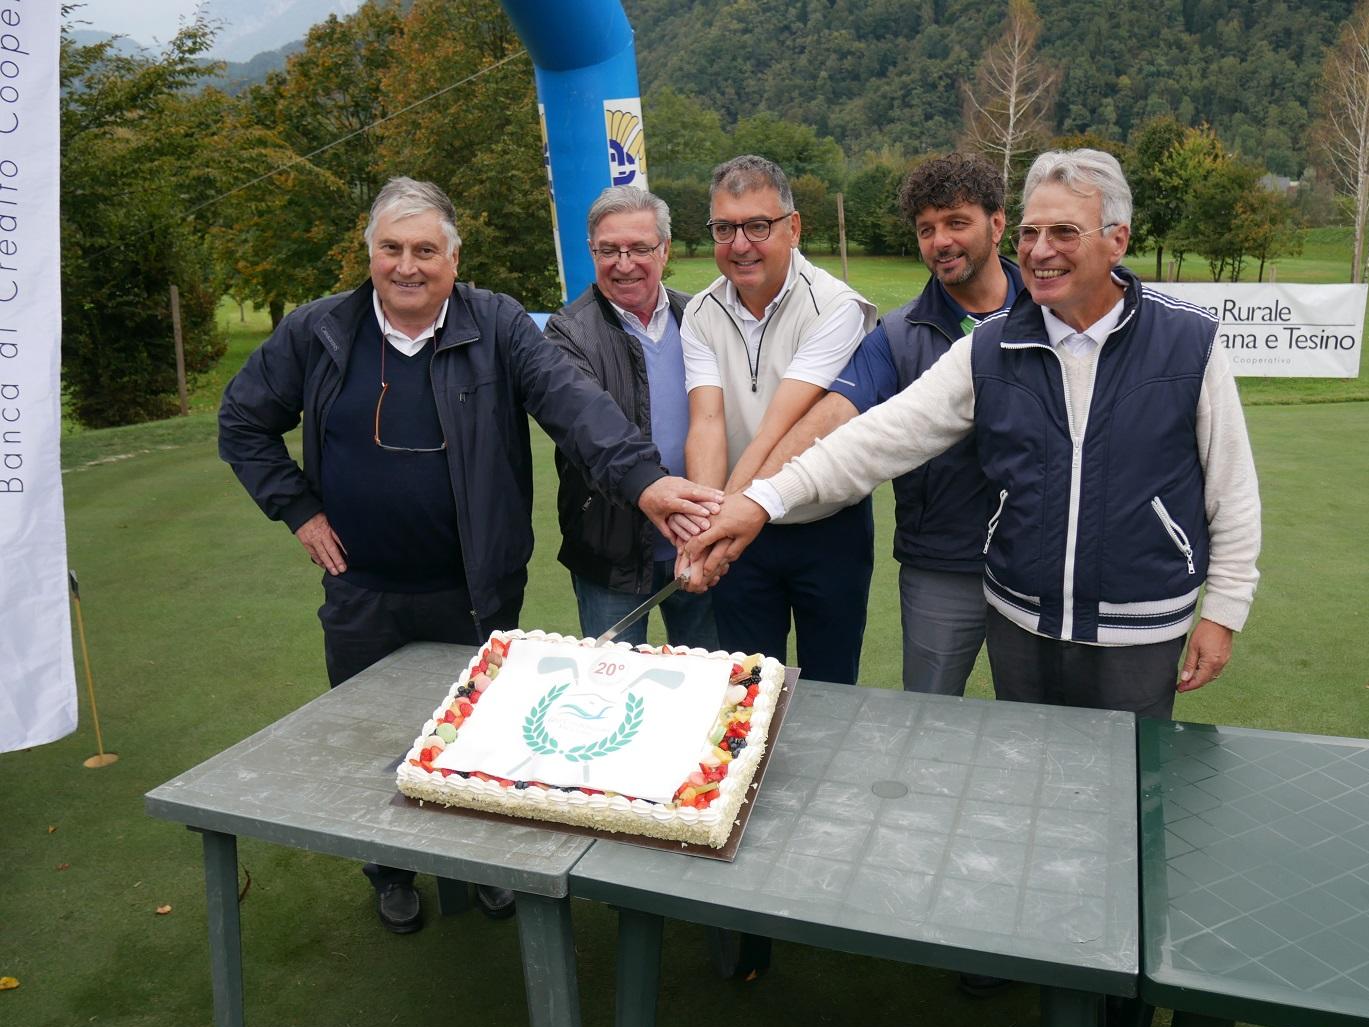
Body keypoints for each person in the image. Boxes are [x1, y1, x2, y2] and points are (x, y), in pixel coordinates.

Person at [219, 177, 721, 935]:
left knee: (477, 741)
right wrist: (297, 508)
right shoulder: (319, 331)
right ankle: (389, 868)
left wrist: (646, 481)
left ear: (454, 259)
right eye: (391, 249)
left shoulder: (499, 325)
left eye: (425, 250)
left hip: (475, 587)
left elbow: (577, 409)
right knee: (374, 742)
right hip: (363, 590)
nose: (407, 266)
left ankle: (479, 864)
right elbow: (242, 421)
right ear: (371, 255)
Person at [684, 148, 1261, 720]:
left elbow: (1230, 489)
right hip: (1020, 616)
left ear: (1117, 239)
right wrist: (759, 500)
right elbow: (874, 437)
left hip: (1141, 625)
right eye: (1033, 232)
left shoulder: (1189, 341)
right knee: (1018, 768)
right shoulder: (984, 345)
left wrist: (1225, 610)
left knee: (1135, 783)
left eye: (1063, 232)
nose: (1040, 250)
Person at [753, 153, 1024, 697]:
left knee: (1039, 723)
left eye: (956, 222)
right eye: (926, 229)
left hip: (1034, 564)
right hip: (940, 565)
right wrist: (752, 495)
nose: (940, 241)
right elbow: (834, 418)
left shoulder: (1050, 315)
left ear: (997, 224)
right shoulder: (897, 334)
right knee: (925, 719)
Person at [679, 154, 876, 685]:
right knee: (744, 691)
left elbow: (780, 429)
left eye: (757, 226)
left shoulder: (837, 306)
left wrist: (718, 526)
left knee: (829, 688)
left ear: (793, 228)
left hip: (827, 527)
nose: (740, 244)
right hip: (743, 532)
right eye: (725, 228)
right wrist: (706, 524)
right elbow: (708, 421)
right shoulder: (699, 312)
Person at [545, 186, 717, 649]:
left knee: (710, 687)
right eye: (608, 250)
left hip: (702, 541)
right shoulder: (567, 333)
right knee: (611, 693)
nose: (623, 263)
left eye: (639, 248)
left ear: (665, 250)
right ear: (591, 252)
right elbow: (587, 432)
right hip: (611, 553)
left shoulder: (700, 317)